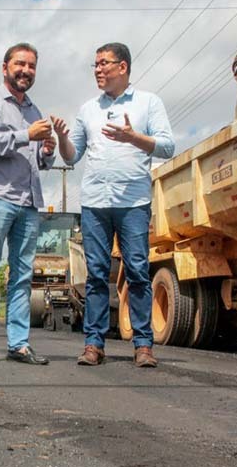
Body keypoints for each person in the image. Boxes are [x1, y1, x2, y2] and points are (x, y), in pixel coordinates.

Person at [53, 42, 175, 367]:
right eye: (95, 64)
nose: (98, 69)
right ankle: (93, 344)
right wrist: (63, 137)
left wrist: (134, 138)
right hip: (95, 203)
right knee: (95, 274)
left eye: (104, 63)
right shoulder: (88, 109)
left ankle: (143, 346)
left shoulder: (149, 103)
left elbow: (167, 146)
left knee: (136, 271)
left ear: (123, 67)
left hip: (133, 202)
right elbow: (71, 155)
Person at [0, 42, 56, 365]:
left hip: (28, 202)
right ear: (5, 67)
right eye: (20, 64)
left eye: (32, 66)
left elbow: (39, 161)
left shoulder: (35, 111)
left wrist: (47, 151)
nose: (26, 71)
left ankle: (19, 344)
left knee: (21, 276)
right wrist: (24, 135)